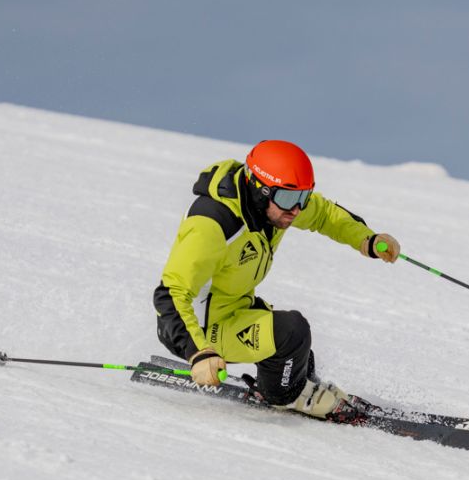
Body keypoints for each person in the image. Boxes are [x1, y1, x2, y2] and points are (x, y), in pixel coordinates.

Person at [153, 140, 400, 420]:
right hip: (197, 330)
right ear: (259, 189)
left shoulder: (276, 207)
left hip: (234, 310)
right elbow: (171, 294)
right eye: (287, 199)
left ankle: (301, 386)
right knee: (291, 333)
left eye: (303, 198)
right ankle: (286, 397)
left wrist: (367, 239)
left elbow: (325, 215)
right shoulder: (213, 223)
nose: (295, 210)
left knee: (298, 354)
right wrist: (198, 352)